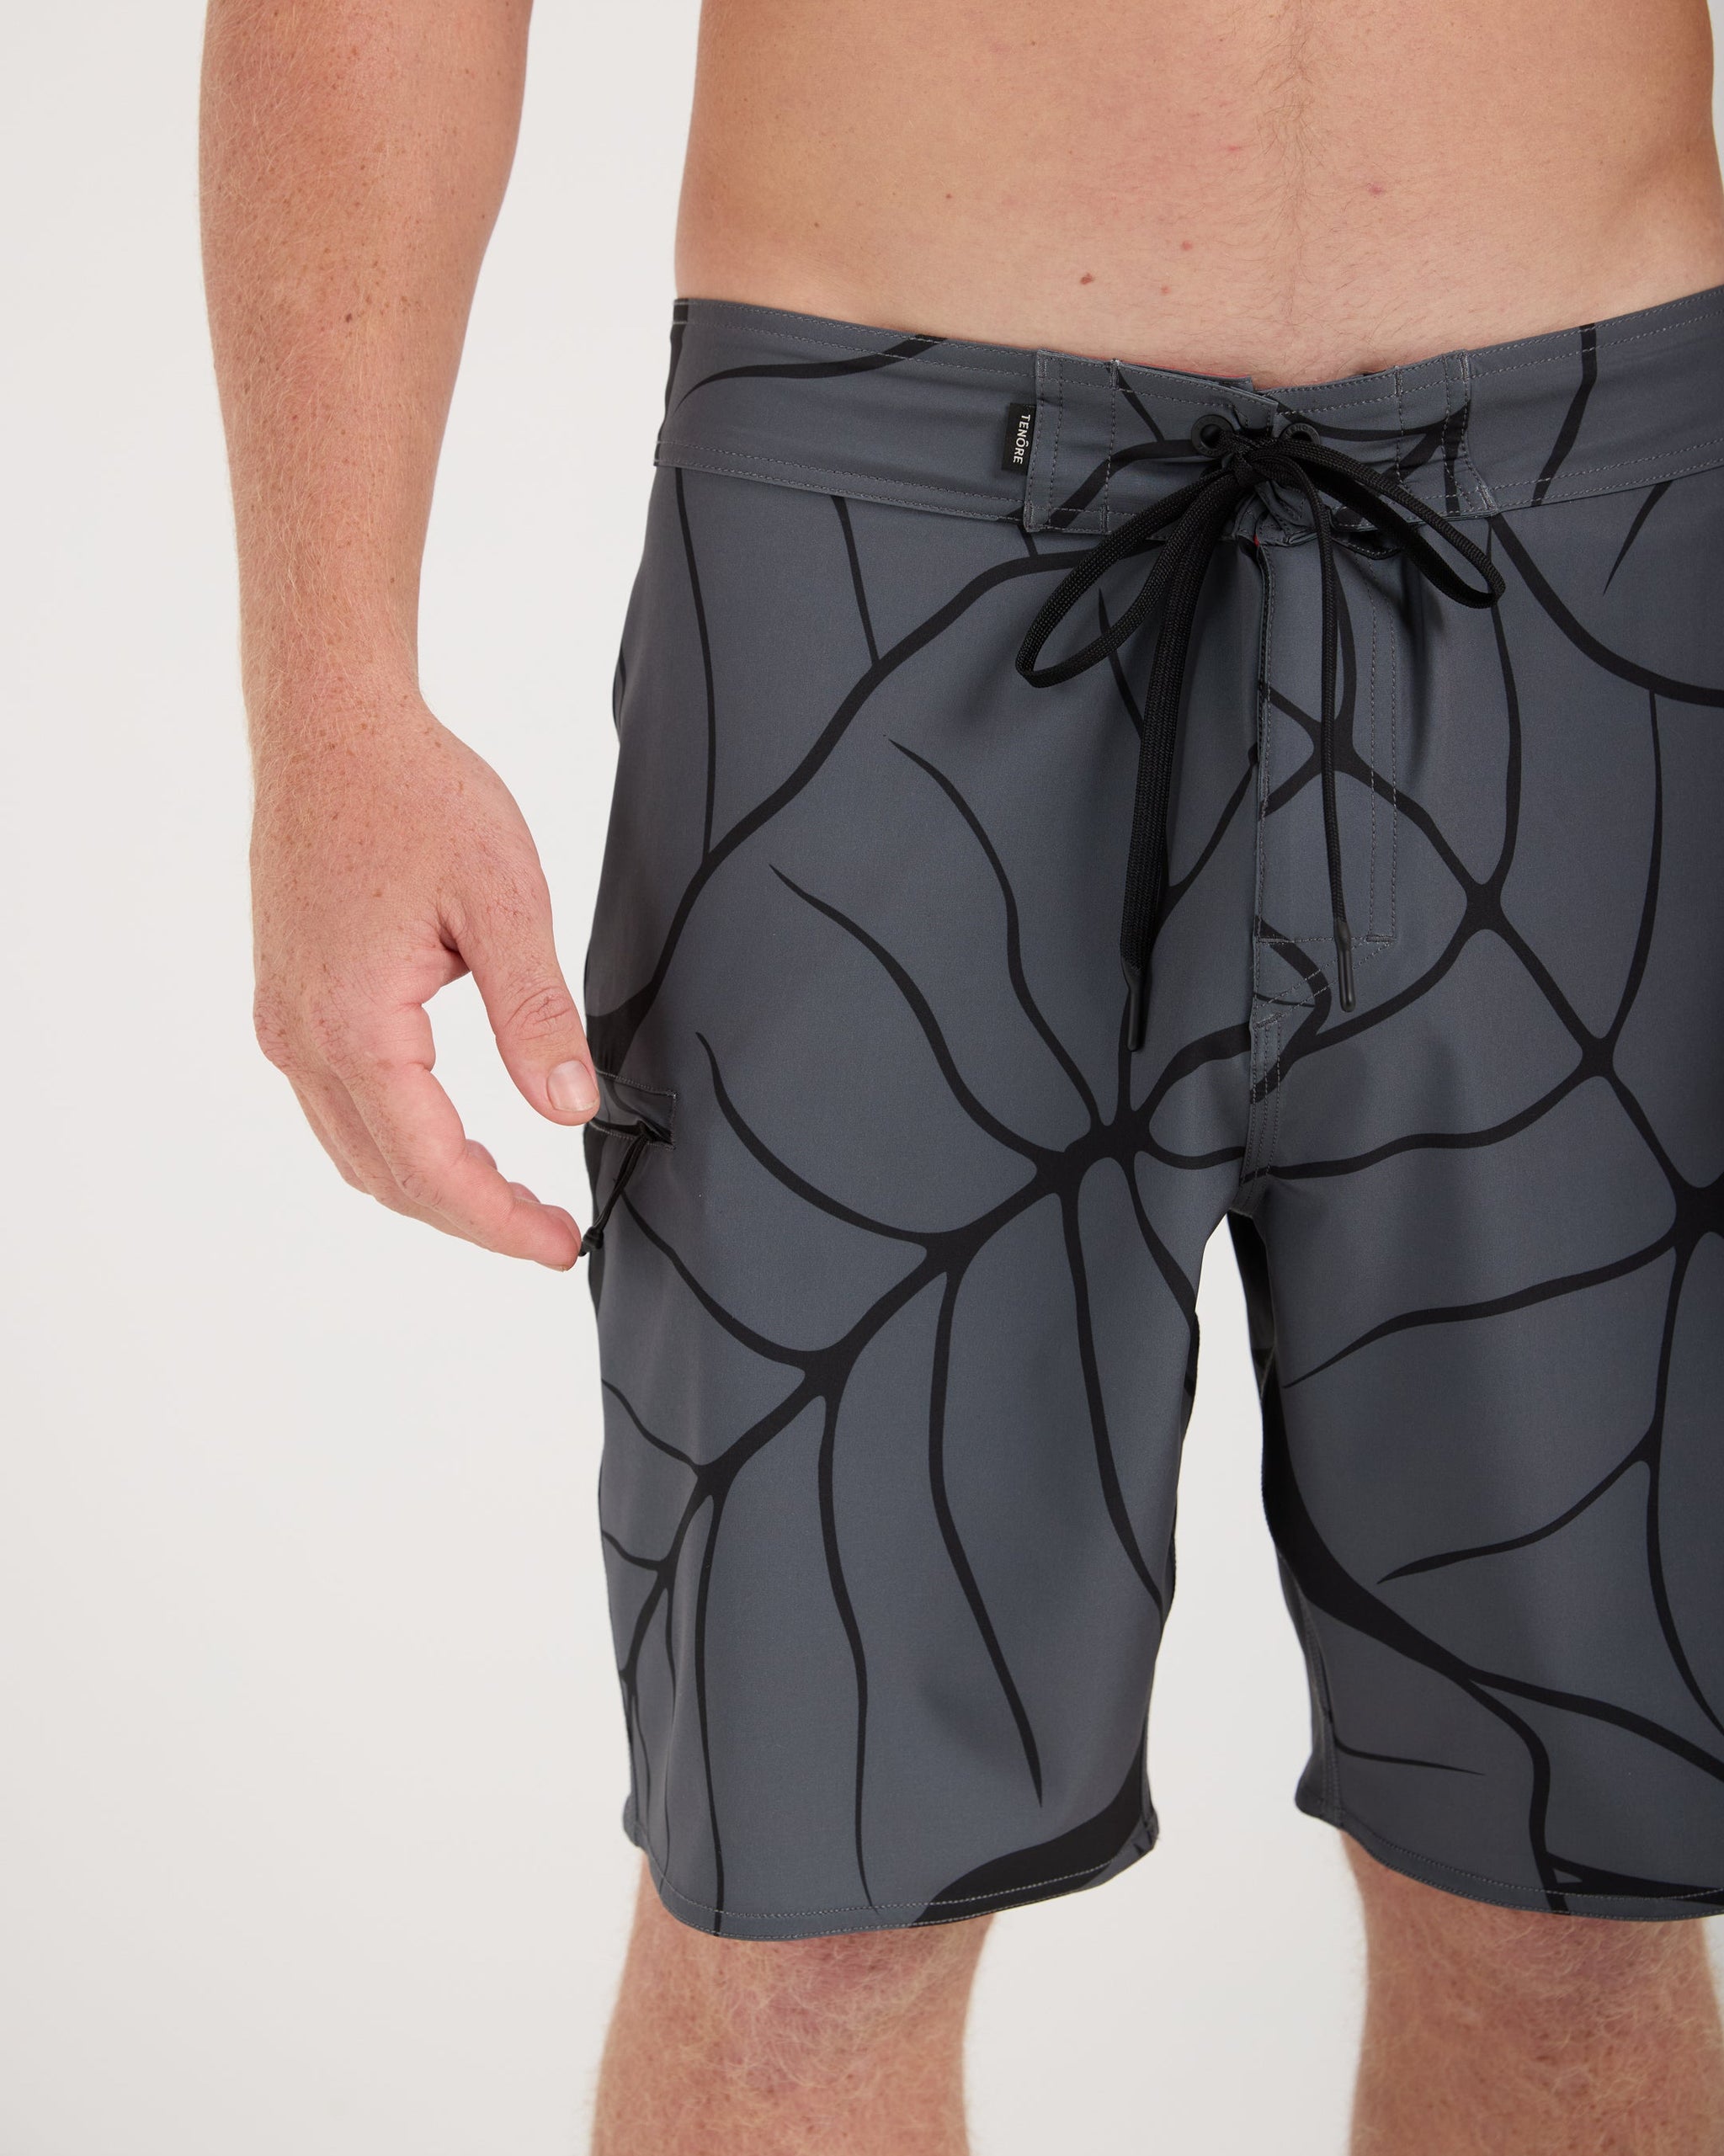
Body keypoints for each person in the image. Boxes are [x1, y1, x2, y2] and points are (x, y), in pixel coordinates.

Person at [200, 0, 1724, 2145]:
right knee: (802, 1921)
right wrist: (329, 704)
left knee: (1585, 1902)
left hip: (1618, 531)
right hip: (885, 540)